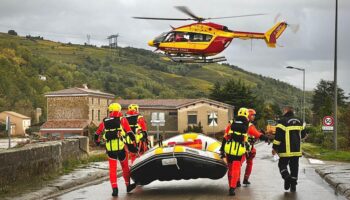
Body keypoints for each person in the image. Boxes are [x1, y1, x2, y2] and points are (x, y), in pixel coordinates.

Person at [94, 103, 137, 196]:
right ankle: (128, 186)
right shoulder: (122, 119)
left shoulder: (105, 121)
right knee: (125, 167)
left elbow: (96, 134)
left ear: (111, 110)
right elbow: (129, 132)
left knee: (112, 169)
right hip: (121, 148)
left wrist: (97, 142)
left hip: (110, 150)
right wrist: (134, 142)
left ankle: (115, 189)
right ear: (118, 110)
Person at [272, 106, 306, 192]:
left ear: (286, 111)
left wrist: (274, 148)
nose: (283, 112)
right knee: (294, 167)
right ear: (293, 111)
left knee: (282, 165)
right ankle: (293, 185)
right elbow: (304, 135)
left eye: (283, 110)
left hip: (285, 150)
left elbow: (278, 138)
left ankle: (287, 178)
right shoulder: (300, 121)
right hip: (296, 150)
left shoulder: (281, 122)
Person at [220, 107, 250, 196]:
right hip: (239, 150)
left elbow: (225, 137)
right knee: (236, 168)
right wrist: (247, 149)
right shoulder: (247, 124)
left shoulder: (231, 123)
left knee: (230, 168)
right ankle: (232, 188)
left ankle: (230, 185)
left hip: (229, 149)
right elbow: (245, 139)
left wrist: (222, 149)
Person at [240, 109, 269, 186]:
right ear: (248, 115)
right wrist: (265, 137)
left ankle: (238, 180)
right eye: (252, 115)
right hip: (247, 147)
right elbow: (257, 134)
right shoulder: (249, 125)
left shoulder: (242, 124)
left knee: (241, 163)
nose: (254, 117)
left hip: (244, 146)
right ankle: (244, 179)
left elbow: (254, 133)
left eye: (254, 115)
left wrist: (259, 133)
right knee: (246, 163)